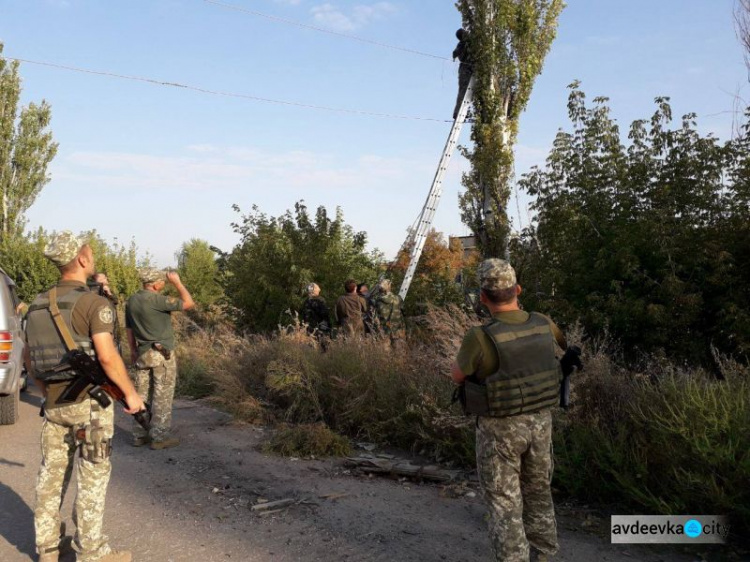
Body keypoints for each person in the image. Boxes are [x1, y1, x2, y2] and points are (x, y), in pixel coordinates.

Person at [24, 231, 144, 562]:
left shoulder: (34, 304)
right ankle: (92, 552)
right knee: (92, 474)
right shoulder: (93, 303)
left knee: (50, 476)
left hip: (53, 404)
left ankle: (47, 549)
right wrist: (131, 396)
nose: (92, 256)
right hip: (89, 406)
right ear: (81, 259)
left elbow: (28, 361)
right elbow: (107, 358)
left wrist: (46, 391)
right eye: (90, 252)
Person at [451, 259, 567, 562]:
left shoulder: (480, 336)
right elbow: (562, 345)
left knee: (505, 502)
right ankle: (545, 556)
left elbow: (458, 376)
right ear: (517, 289)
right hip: (541, 422)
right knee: (539, 491)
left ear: (483, 298)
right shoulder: (543, 321)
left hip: (499, 428)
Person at [125, 268, 194, 450]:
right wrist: (177, 283)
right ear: (155, 284)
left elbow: (129, 329)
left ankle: (139, 435)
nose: (164, 284)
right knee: (162, 395)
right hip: (161, 354)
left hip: (142, 353)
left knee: (141, 395)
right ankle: (159, 437)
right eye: (162, 281)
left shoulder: (132, 300)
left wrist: (132, 350)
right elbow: (188, 303)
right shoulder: (157, 300)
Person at [453, 28, 474, 120]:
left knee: (467, 92)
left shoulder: (463, 44)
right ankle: (459, 112)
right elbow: (456, 53)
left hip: (466, 69)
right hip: (466, 70)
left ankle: (464, 111)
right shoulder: (463, 44)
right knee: (464, 91)